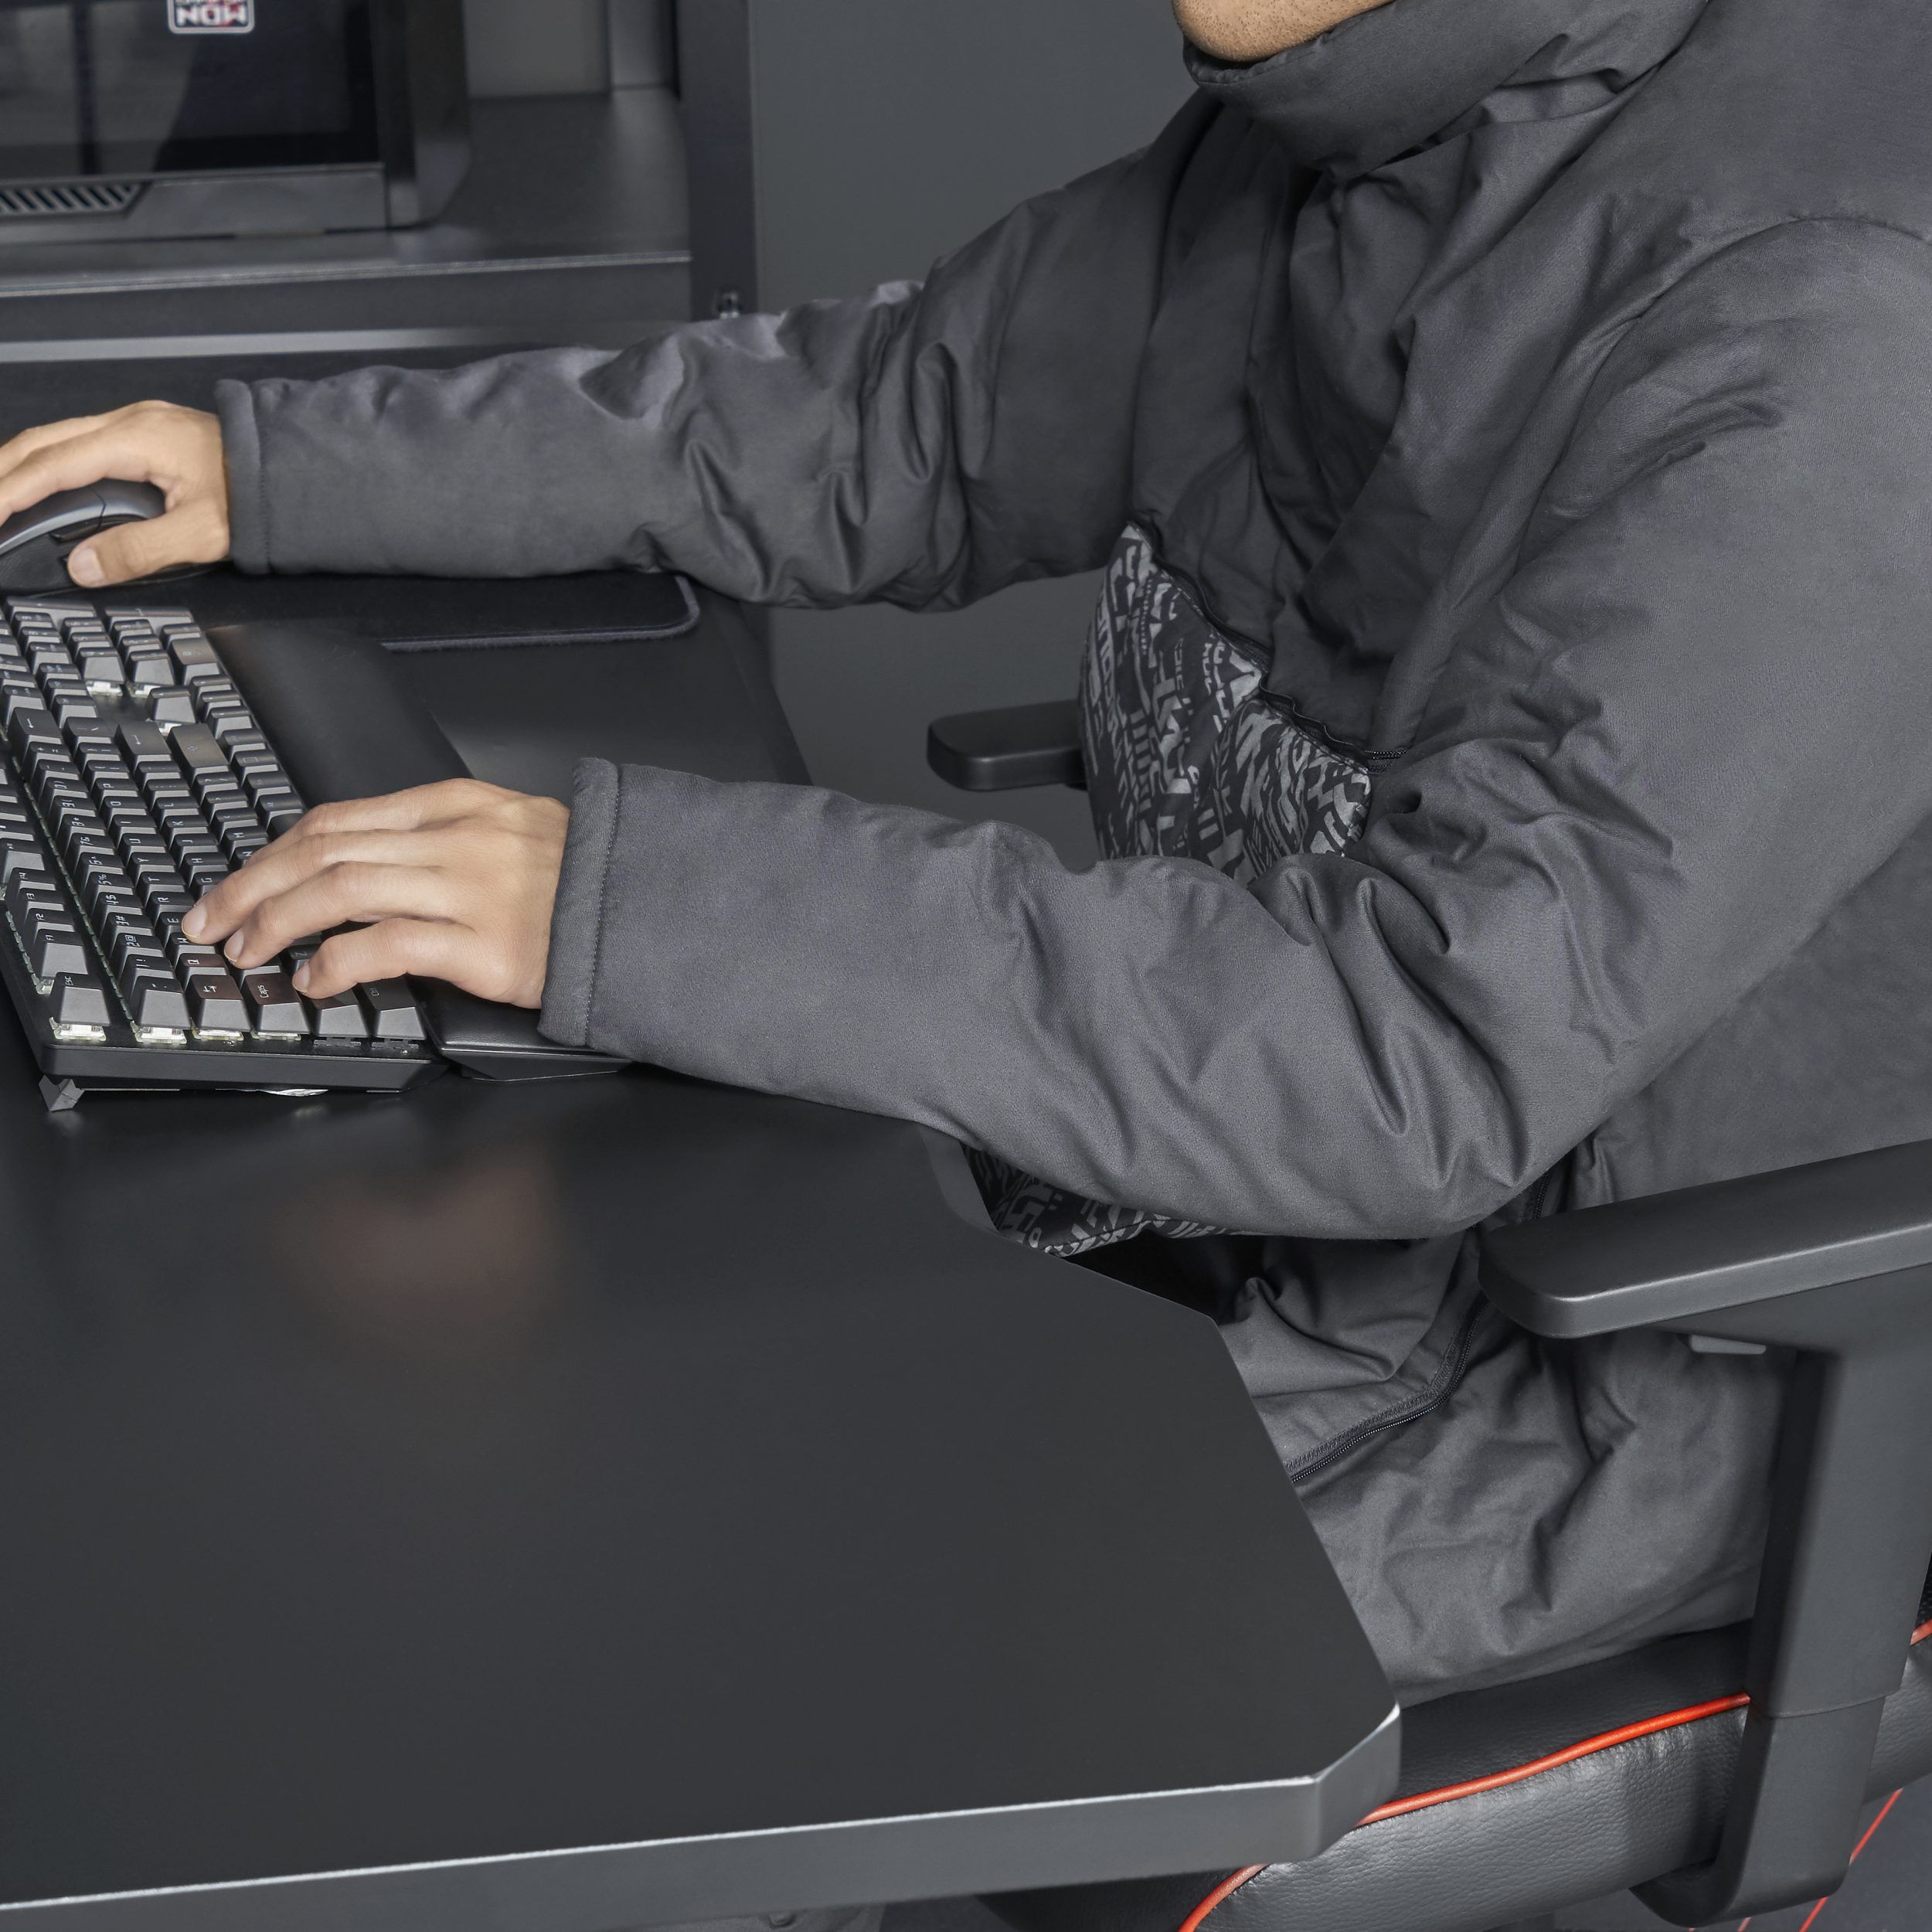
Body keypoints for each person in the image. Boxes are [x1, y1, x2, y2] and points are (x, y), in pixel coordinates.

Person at [4, 0, 1930, 1777]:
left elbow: (1410, 1056)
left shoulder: (1819, 335)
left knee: (616, 1605)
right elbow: (884, 420)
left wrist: (634, 890)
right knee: (473, 1379)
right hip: (1207, 1178)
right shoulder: (1367, 119)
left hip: (1568, 1382)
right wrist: (277, 470)